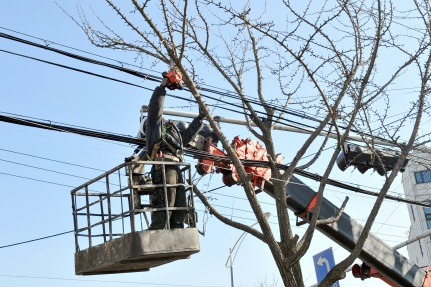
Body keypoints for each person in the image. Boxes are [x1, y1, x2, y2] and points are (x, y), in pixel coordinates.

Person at [145, 68, 205, 230]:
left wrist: (200, 118)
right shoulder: (154, 126)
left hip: (175, 166)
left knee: (180, 201)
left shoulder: (173, 133)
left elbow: (187, 137)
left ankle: (177, 227)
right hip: (163, 166)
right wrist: (162, 87)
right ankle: (158, 228)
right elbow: (155, 107)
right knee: (166, 198)